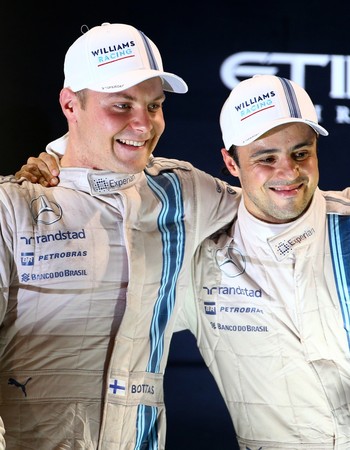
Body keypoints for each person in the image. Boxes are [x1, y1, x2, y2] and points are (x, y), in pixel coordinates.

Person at [0, 22, 240, 449]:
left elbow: (283, 208)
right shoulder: (13, 205)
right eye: (122, 104)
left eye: (154, 105)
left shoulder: (182, 191)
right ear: (71, 105)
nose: (143, 124)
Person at [176, 74, 350, 449]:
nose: (288, 172)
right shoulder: (200, 262)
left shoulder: (347, 230)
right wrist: (59, 169)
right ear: (231, 162)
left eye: (300, 153)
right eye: (266, 158)